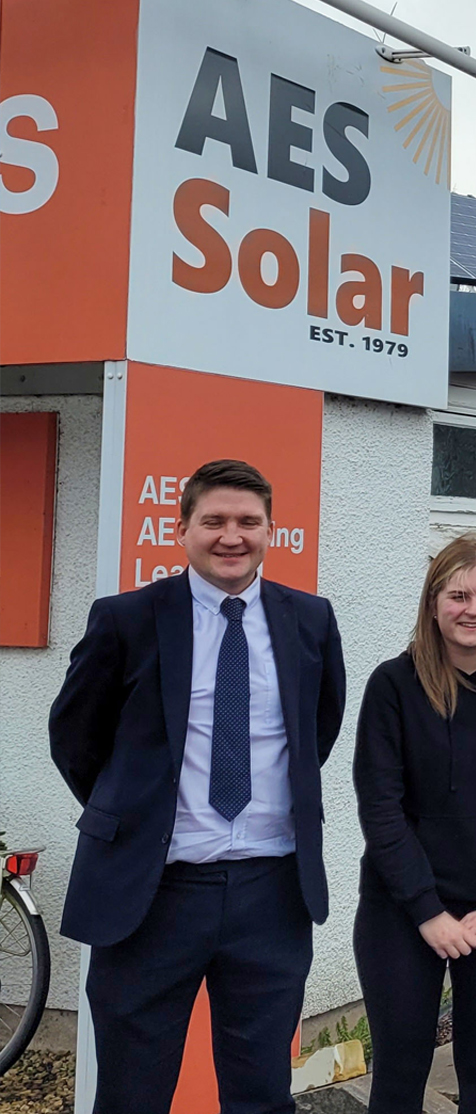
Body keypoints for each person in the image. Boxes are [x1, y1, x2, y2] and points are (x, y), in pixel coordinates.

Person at [48, 459, 345, 1114]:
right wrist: (134, 816)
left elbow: (314, 737)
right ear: (181, 529)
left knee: (262, 1096)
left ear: (272, 530)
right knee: (132, 1096)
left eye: (248, 521)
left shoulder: (310, 621)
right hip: (151, 900)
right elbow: (75, 738)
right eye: (213, 520)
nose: (231, 535)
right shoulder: (125, 620)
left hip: (271, 896)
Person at [352, 534, 476, 1114]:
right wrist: (427, 911)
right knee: (399, 1071)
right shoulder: (393, 685)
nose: (473, 610)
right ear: (433, 601)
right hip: (403, 911)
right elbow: (380, 809)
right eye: (458, 595)